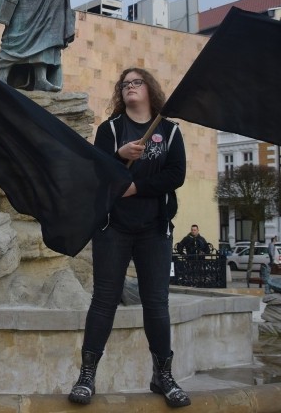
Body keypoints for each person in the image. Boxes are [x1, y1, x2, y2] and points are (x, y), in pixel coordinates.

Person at [68, 68, 190, 408]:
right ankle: (87, 376)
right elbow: (96, 170)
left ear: (150, 89)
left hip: (155, 229)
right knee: (104, 300)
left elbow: (176, 174)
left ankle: (163, 375)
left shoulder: (169, 130)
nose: (129, 88)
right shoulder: (110, 130)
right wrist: (119, 155)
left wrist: (137, 186)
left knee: (156, 304)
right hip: (113, 227)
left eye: (136, 83)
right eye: (124, 84)